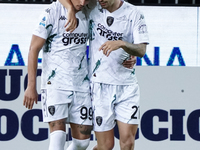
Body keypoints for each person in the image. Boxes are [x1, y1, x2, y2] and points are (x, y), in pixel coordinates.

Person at [59, 0, 149, 149]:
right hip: (99, 86)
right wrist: (69, 8)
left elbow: (141, 50)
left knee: (128, 142)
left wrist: (122, 44)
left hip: (127, 87)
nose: (101, 0)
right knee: (105, 146)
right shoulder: (92, 7)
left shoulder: (134, 14)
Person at [23, 0, 93, 150]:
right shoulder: (52, 12)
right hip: (55, 84)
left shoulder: (89, 10)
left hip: (81, 84)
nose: (82, 2)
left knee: (82, 143)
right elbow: (33, 49)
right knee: (58, 138)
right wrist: (31, 85)